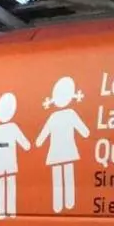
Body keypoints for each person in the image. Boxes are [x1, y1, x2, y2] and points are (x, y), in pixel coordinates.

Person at [36, 76, 90, 214]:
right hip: (69, 151)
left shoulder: (53, 117)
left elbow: (41, 137)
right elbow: (85, 132)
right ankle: (70, 203)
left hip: (55, 153)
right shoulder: (71, 114)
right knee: (68, 176)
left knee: (57, 180)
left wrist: (39, 142)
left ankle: (58, 206)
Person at [0, 92, 30, 219]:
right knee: (10, 186)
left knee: (1, 187)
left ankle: (1, 212)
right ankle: (11, 211)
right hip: (10, 164)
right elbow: (25, 144)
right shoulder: (13, 127)